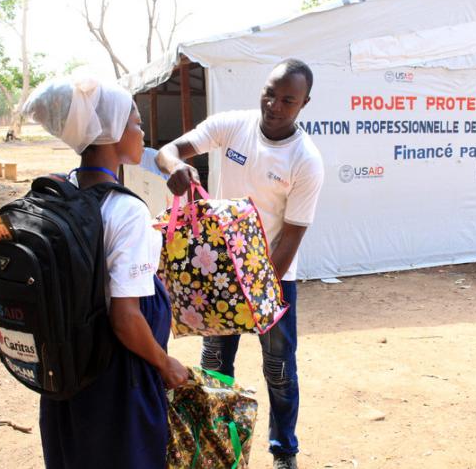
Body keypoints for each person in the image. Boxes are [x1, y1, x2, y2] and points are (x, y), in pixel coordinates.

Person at [156, 58, 324, 469]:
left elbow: (290, 239)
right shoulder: (233, 125)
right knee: (214, 365)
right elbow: (168, 150)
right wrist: (176, 166)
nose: (275, 105)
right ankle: (213, 444)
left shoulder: (306, 160)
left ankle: (284, 450)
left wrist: (256, 295)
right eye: (270, 93)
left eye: (288, 99)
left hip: (273, 279)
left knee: (279, 370)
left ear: (304, 103)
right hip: (219, 276)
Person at [23, 76, 188, 468]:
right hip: (118, 379)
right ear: (112, 132)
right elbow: (125, 318)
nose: (142, 131)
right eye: (136, 122)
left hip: (68, 372)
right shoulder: (126, 210)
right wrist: (165, 363)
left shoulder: (62, 192)